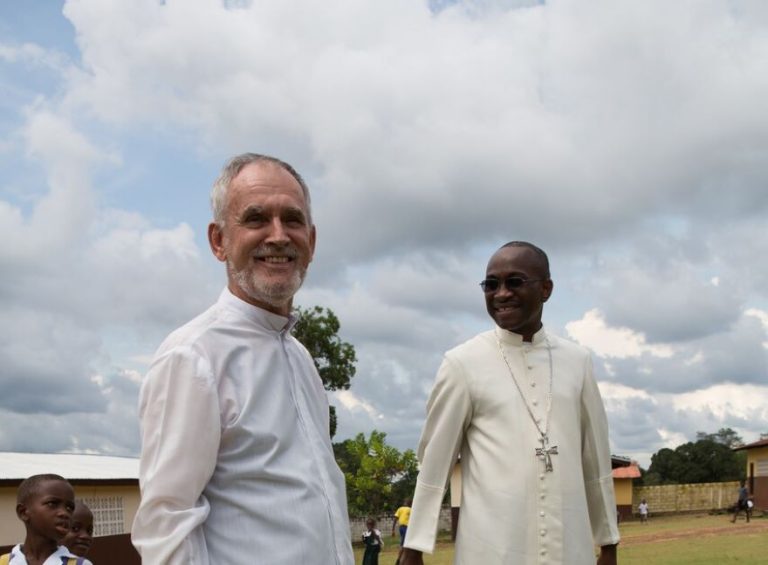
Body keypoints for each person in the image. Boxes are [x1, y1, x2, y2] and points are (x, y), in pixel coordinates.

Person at [131, 153, 354, 564]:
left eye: (292, 219)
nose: (278, 236)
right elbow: (167, 524)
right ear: (219, 241)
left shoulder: (299, 357)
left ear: (312, 240)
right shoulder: (193, 356)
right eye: (255, 219)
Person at [400, 242, 620, 565]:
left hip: (569, 550)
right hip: (491, 550)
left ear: (546, 289)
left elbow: (596, 461)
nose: (501, 294)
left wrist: (609, 543)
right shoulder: (462, 363)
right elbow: (435, 462)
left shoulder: (577, 362)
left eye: (514, 282)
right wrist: (413, 548)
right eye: (491, 285)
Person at [1, 473, 93, 565]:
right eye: (52, 503)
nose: (64, 513)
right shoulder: (4, 562)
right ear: (23, 512)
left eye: (69, 508)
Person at [392, 499, 411, 563]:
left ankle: (402, 558)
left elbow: (395, 519)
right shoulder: (410, 509)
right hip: (406, 528)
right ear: (410, 504)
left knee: (405, 543)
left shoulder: (400, 509)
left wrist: (393, 529)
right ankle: (399, 559)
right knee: (404, 544)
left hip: (401, 528)